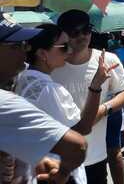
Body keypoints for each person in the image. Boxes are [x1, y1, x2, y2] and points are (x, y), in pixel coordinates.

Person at [15, 24, 117, 184]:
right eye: (63, 47)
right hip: (56, 171)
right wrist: (96, 86)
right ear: (42, 53)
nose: (70, 51)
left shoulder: (21, 79)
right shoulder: (49, 90)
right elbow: (83, 127)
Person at [0, 20, 88, 183]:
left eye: (25, 45)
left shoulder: (20, 81)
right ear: (43, 54)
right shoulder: (7, 101)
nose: (25, 52)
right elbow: (77, 145)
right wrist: (62, 174)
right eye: (16, 46)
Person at [51, 10, 124, 184]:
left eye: (86, 30)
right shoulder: (53, 64)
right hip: (61, 158)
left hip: (96, 155)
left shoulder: (107, 59)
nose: (82, 36)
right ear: (63, 35)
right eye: (74, 32)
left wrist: (104, 109)